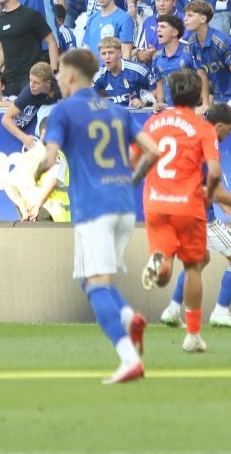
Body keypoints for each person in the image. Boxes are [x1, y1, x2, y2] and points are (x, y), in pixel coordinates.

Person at [34, 47, 148, 384]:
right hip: (124, 205)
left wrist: (37, 171)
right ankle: (128, 316)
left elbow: (50, 158)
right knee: (91, 278)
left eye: (58, 73)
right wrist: (132, 179)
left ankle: (128, 358)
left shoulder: (63, 110)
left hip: (93, 207)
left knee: (97, 283)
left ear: (70, 76)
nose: (56, 79)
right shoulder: (116, 109)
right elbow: (152, 150)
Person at [158, 101, 231, 330]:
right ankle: (221, 312)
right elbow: (213, 189)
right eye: (229, 128)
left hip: (176, 208)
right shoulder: (208, 142)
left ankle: (171, 310)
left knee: (200, 260)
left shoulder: (190, 135)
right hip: (200, 217)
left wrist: (219, 199)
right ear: (218, 126)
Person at [136, 69, 220, 354]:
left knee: (165, 269)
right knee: (193, 266)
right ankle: (193, 336)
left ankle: (160, 264)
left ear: (171, 94)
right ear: (199, 97)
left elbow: (136, 159)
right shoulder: (203, 127)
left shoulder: (153, 123)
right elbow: (215, 170)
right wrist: (210, 191)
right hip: (188, 203)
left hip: (156, 203)